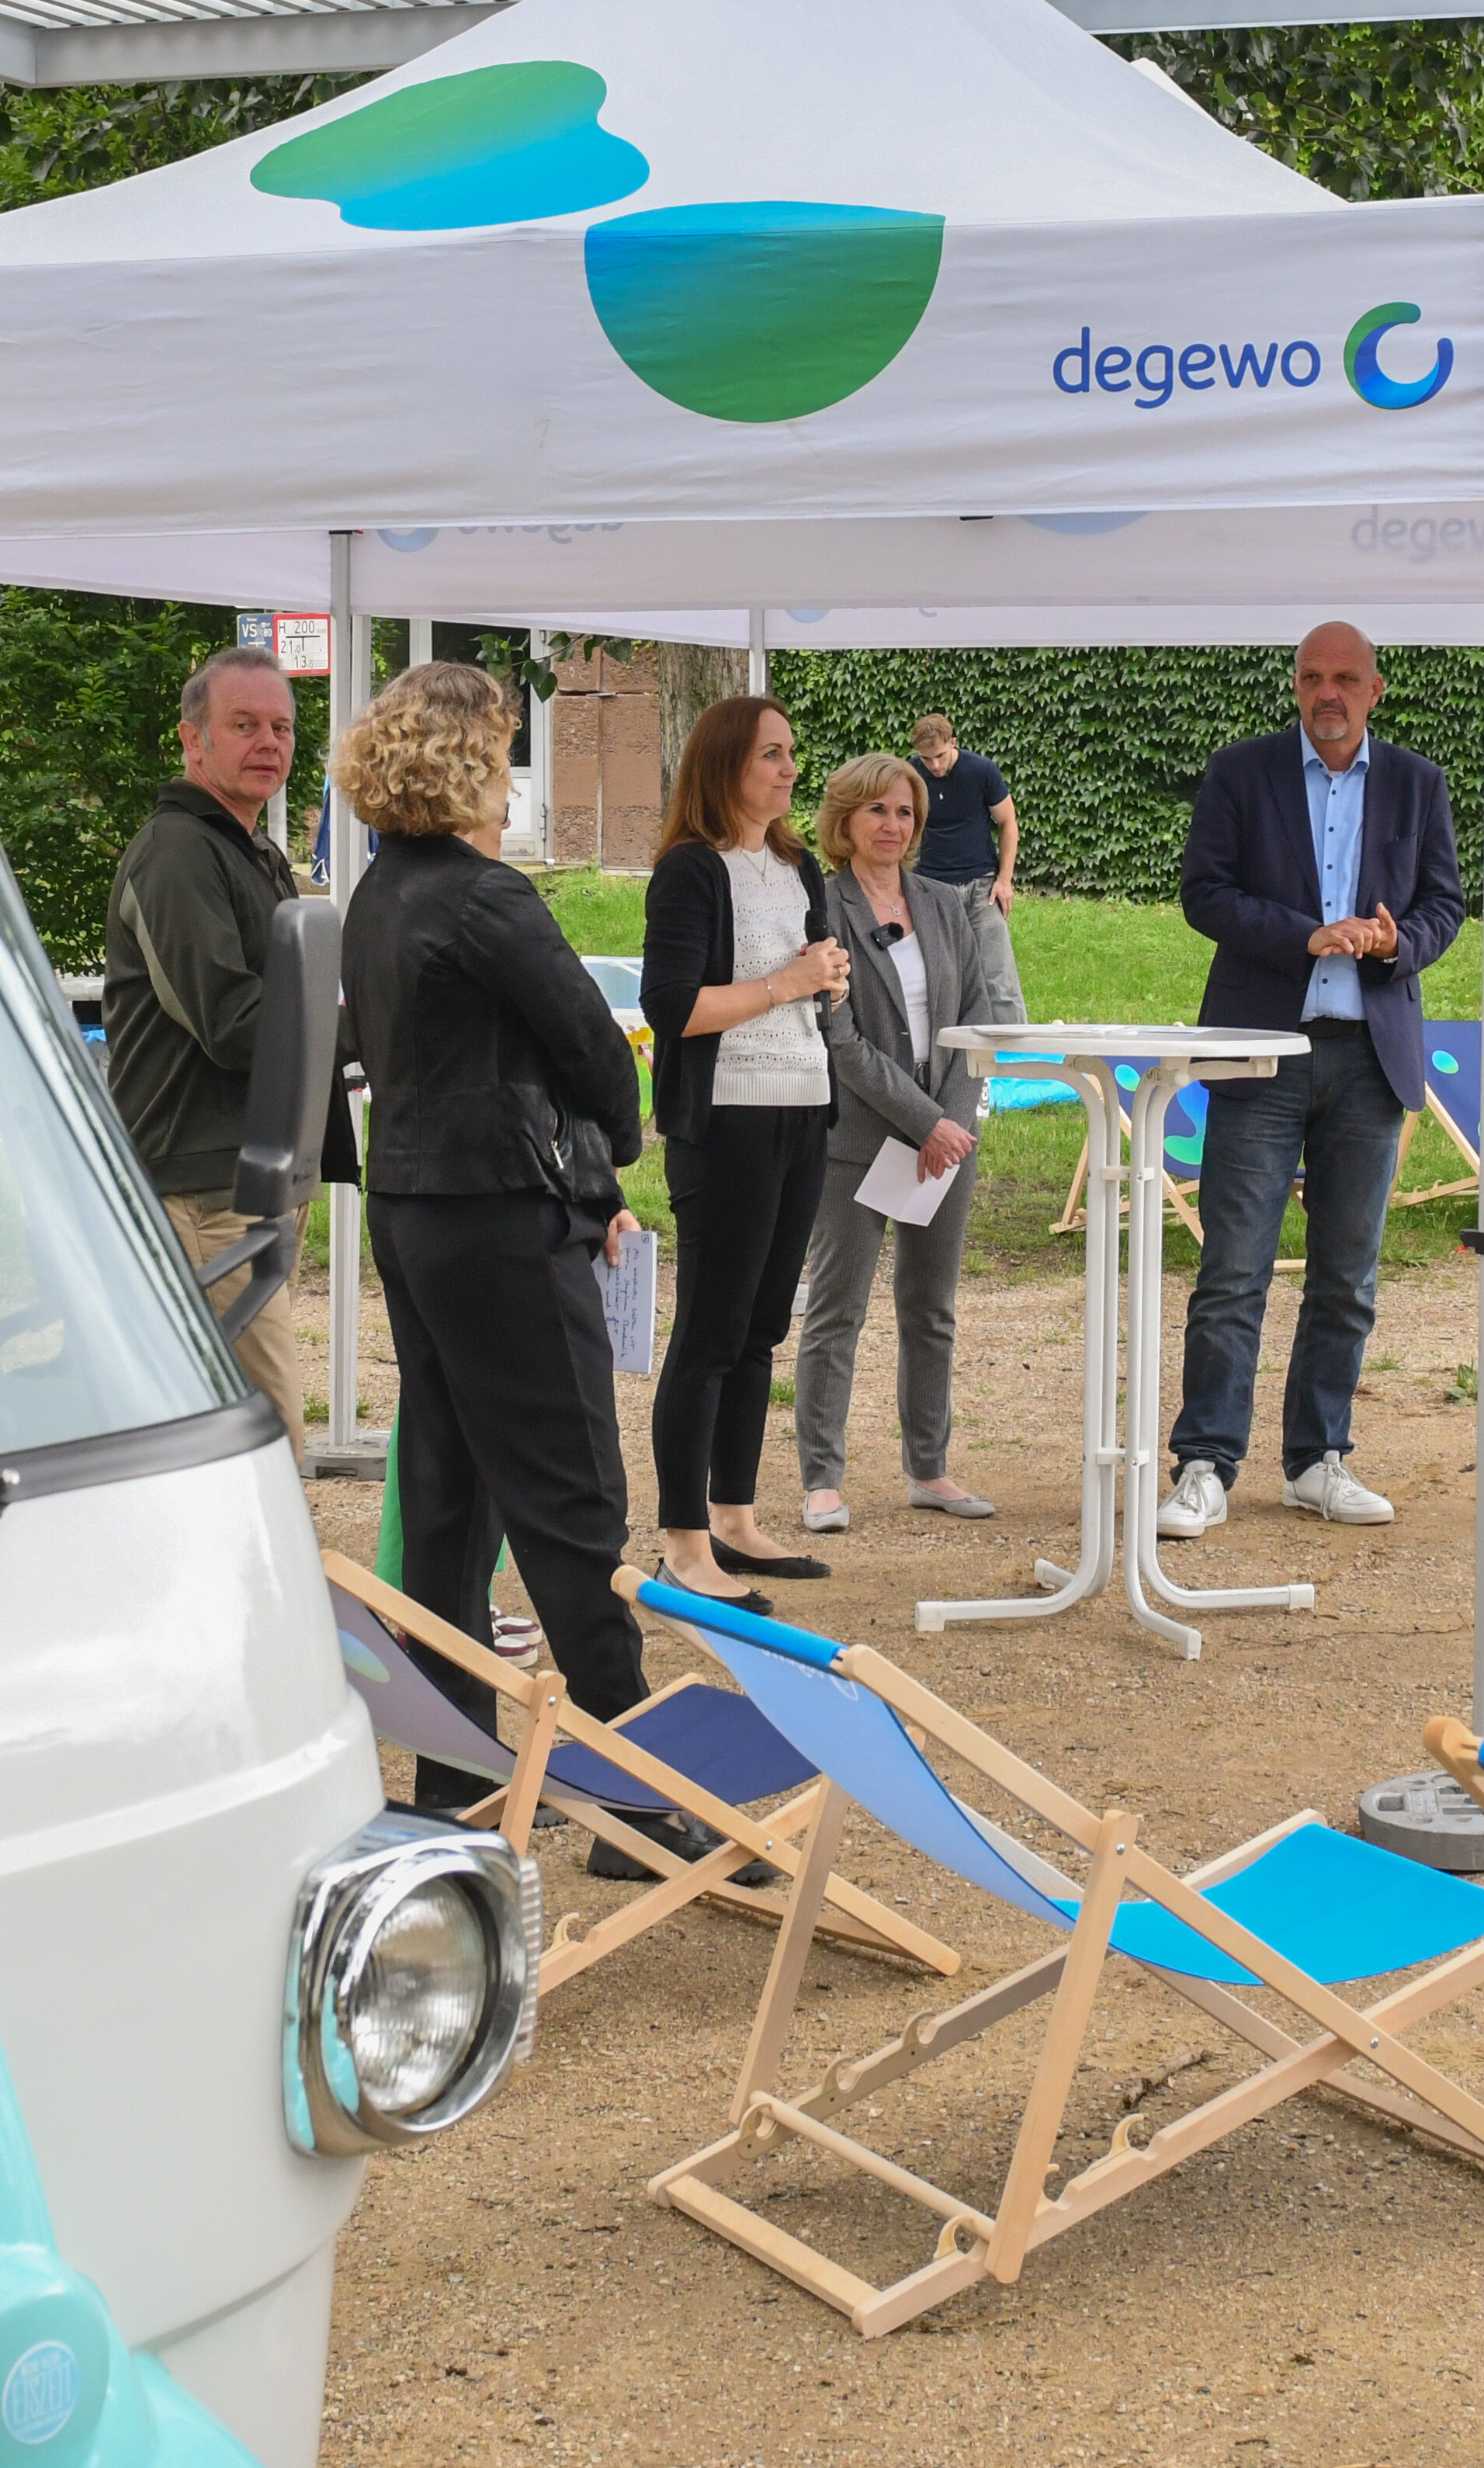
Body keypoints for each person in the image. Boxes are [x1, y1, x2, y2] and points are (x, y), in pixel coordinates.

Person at [336, 681, 646, 1815]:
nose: (514, 778)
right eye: (506, 751)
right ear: (472, 763)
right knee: (571, 1495)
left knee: (451, 1493)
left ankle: (450, 1773)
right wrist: (617, 1147)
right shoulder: (483, 897)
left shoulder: (377, 891)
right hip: (502, 1210)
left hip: (414, 1205)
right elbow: (593, 1046)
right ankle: (638, 1793)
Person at [1162, 620, 1466, 1538]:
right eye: (1310, 678)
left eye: (1344, 680)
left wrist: (1393, 940)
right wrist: (1303, 933)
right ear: (1294, 687)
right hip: (1262, 1048)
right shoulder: (1240, 772)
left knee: (1347, 1274)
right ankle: (1206, 1462)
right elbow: (1202, 893)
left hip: (1369, 1056)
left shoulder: (1418, 783)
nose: (1325, 694)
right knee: (1233, 1267)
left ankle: (1317, 1458)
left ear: (1376, 690)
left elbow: (1445, 903)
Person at [98, 643, 355, 1428]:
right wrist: (376, 1028)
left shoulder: (253, 850)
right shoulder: (177, 852)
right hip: (203, 1192)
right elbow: (233, 1023)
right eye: (242, 724)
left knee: (217, 1431)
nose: (268, 743)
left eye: (280, 727)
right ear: (191, 738)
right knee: (264, 1432)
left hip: (255, 1182)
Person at [636, 695, 854, 1603]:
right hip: (725, 1118)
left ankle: (733, 1516)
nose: (789, 769)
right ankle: (683, 1542)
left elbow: (805, 977)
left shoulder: (793, 864)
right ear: (725, 763)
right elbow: (674, 1009)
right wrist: (788, 982)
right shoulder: (690, 871)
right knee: (711, 1331)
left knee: (763, 1326)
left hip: (803, 1106)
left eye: (791, 753)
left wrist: (825, 984)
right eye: (771, 754)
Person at [793, 751, 1025, 1533]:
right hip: (859, 1140)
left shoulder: (943, 902)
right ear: (844, 822)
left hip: (948, 1140)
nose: (893, 825)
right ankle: (821, 1479)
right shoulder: (822, 909)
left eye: (904, 812)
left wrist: (949, 1125)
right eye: (877, 811)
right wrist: (924, 1121)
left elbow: (970, 1020)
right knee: (837, 1310)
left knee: (931, 1308)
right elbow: (842, 1039)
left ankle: (929, 1467)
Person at [911, 712, 1018, 909]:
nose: (934, 765)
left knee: (995, 942)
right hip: (929, 882)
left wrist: (1004, 880)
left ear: (953, 741)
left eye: (940, 756)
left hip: (981, 882)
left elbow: (1007, 821)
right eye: (926, 758)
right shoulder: (911, 775)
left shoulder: (982, 770)